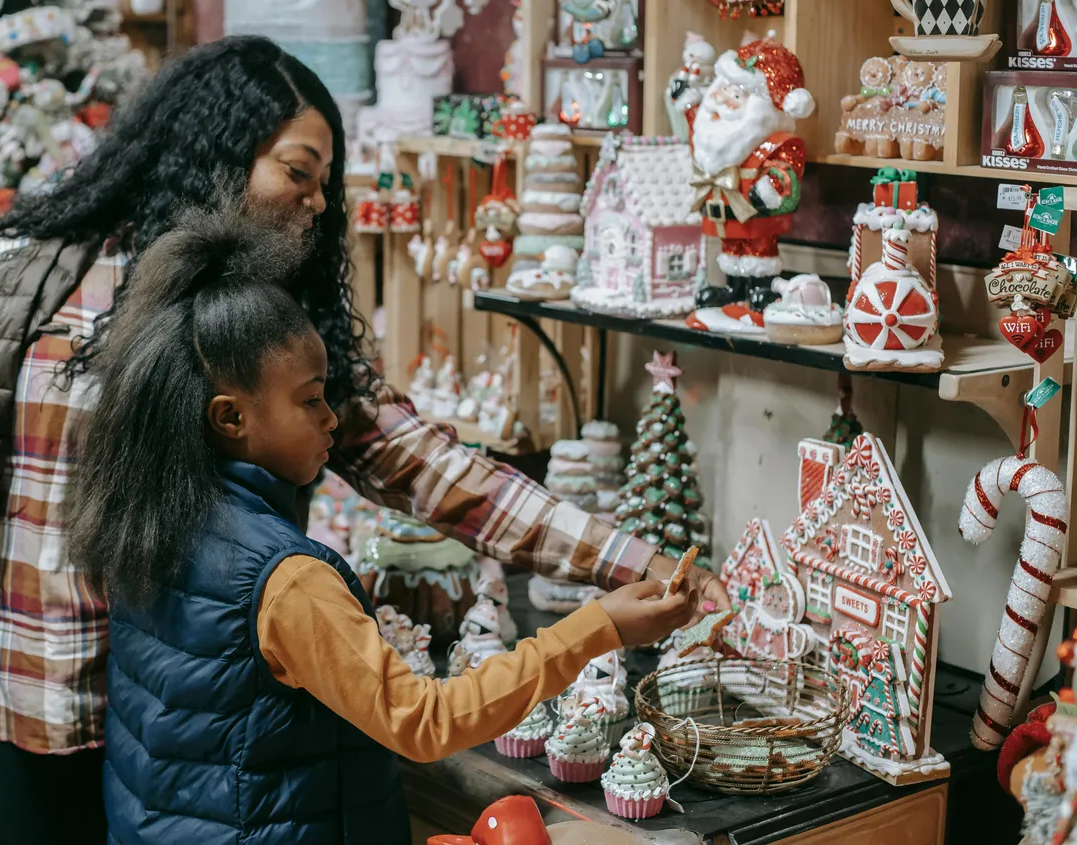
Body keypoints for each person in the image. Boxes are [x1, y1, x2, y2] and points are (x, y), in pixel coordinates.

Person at [0, 36, 729, 844]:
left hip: (173, 733)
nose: (316, 204)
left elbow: (437, 468)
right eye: (297, 173)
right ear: (217, 150)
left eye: (325, 184)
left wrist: (632, 561)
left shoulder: (263, 329)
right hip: (3, 705)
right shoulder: (30, 276)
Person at [79, 212, 699, 844]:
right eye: (311, 399)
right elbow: (424, 721)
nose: (332, 422)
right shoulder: (285, 581)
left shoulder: (147, 512)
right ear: (231, 417)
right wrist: (601, 628)